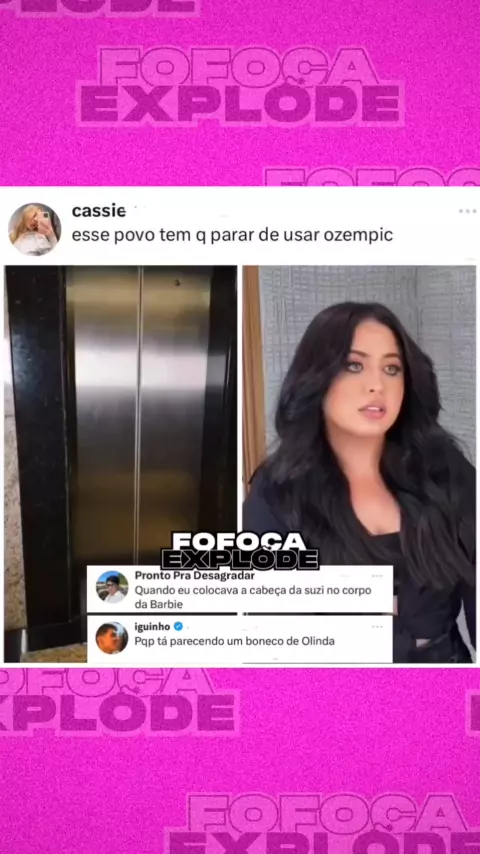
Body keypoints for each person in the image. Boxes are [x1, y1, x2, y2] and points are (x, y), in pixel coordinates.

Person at [243, 302, 476, 664]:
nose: (377, 385)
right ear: (316, 377)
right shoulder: (276, 494)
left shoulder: (445, 471)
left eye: (392, 368)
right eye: (354, 365)